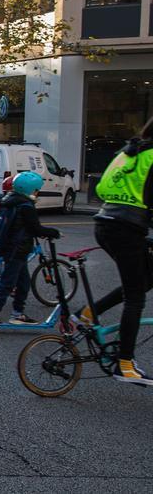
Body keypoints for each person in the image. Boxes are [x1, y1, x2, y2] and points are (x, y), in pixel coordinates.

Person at [78, 118, 153, 384]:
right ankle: (124, 363)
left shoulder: (128, 151)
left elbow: (100, 188)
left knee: (143, 281)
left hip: (106, 221)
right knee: (136, 297)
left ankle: (88, 312)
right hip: (128, 228)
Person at [0, 171, 60, 336]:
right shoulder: (26, 206)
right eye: (37, 189)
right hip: (18, 248)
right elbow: (35, 228)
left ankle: (17, 313)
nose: (38, 192)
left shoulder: (9, 201)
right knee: (8, 284)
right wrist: (53, 232)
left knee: (24, 283)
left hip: (11, 247)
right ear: (31, 190)